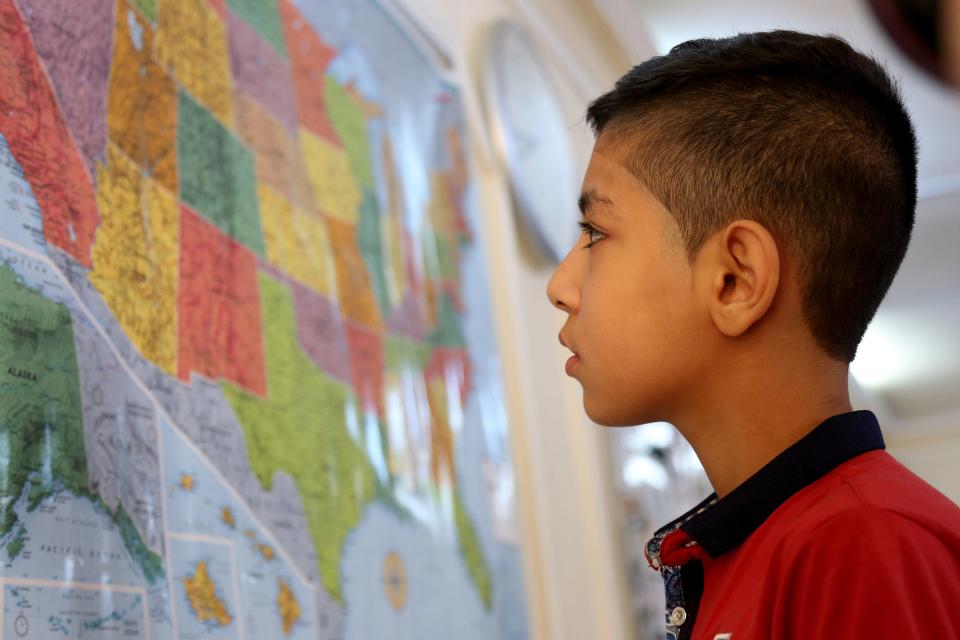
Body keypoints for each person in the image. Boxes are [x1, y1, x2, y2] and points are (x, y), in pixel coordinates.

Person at [546, 30, 960, 639]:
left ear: (735, 279)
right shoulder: (756, 547)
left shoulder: (865, 546)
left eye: (596, 234)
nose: (560, 285)